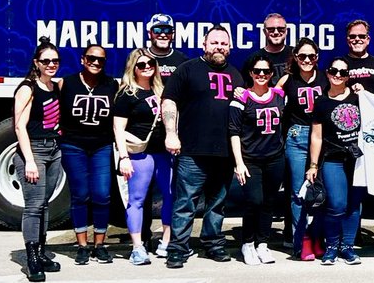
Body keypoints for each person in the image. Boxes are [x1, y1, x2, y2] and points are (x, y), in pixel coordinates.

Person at [162, 26, 245, 268]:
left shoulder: (236, 74)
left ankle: (213, 244)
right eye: (214, 42)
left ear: (229, 47)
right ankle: (177, 248)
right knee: (185, 203)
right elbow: (169, 101)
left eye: (223, 43)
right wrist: (171, 134)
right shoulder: (187, 69)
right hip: (192, 151)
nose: (219, 46)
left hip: (224, 153)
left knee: (217, 203)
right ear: (204, 44)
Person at [112, 49, 174, 266]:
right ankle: (137, 248)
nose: (147, 67)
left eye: (151, 63)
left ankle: (166, 242)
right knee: (137, 200)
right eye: (141, 64)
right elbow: (118, 129)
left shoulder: (161, 90)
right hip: (139, 153)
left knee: (170, 195)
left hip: (163, 152)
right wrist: (123, 158)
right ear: (133, 68)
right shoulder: (126, 94)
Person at [58, 43, 118, 265]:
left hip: (101, 146)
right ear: (82, 59)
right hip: (73, 146)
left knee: (102, 195)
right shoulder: (66, 83)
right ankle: (82, 246)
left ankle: (99, 245)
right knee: (80, 194)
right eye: (91, 58)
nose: (95, 62)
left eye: (100, 59)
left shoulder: (112, 84)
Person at [13, 38, 64, 282]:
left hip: (54, 151)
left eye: (55, 60)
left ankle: (42, 252)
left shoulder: (55, 86)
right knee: (33, 206)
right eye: (46, 61)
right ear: (36, 63)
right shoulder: (27, 88)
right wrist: (30, 161)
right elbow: (19, 127)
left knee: (44, 204)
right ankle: (32, 259)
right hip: (33, 151)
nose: (51, 64)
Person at [341, 20, 374, 246]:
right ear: (347, 39)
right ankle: (351, 234)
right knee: (353, 188)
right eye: (353, 36)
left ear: (368, 39)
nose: (357, 40)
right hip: (349, 135)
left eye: (361, 36)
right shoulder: (340, 64)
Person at [307, 56, 365, 265]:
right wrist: (313, 165)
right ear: (328, 73)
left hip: (357, 160)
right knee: (337, 204)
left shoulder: (360, 97)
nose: (338, 75)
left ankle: (347, 248)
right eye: (334, 71)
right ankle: (331, 246)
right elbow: (316, 136)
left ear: (348, 76)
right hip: (333, 159)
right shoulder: (321, 102)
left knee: (353, 205)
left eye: (343, 72)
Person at [229, 53, 286, 265]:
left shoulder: (279, 94)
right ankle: (248, 243)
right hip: (250, 159)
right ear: (251, 73)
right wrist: (239, 162)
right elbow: (233, 131)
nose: (261, 74)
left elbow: (293, 76)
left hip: (275, 158)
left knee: (269, 203)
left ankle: (263, 243)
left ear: (272, 73)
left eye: (266, 71)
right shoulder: (242, 97)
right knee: (254, 201)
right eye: (257, 71)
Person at [276, 37, 327, 260]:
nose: (307, 60)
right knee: (298, 192)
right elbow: (266, 97)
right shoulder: (288, 80)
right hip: (297, 136)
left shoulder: (327, 78)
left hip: (323, 137)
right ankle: (301, 242)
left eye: (311, 56)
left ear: (317, 58)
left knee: (322, 192)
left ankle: (319, 238)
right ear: (295, 58)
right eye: (302, 56)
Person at [241, 13, 292, 85]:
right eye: (271, 29)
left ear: (286, 31)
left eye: (280, 29)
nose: (276, 32)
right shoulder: (253, 58)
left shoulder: (296, 56)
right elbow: (246, 87)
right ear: (264, 32)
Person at [146, 14, 189, 79]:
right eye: (157, 30)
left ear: (173, 34)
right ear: (150, 34)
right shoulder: (139, 58)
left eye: (167, 30)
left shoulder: (182, 60)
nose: (163, 34)